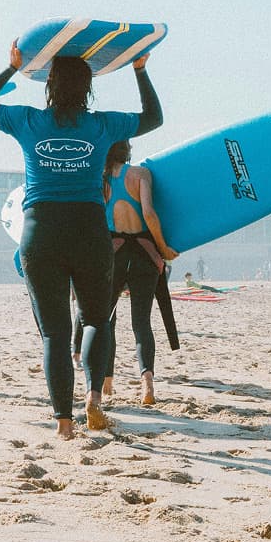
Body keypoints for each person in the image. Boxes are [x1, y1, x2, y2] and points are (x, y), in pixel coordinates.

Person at [0, 41, 163, 440]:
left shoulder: (27, 121)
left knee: (55, 333)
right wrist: (139, 70)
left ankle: (63, 423)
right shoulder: (102, 125)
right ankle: (93, 398)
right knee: (95, 319)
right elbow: (153, 118)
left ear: (49, 84)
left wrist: (10, 68)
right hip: (90, 230)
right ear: (89, 87)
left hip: (41, 230)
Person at [103, 140, 179, 405]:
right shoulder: (140, 174)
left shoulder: (98, 179)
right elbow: (148, 213)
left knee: (106, 320)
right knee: (141, 323)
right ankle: (147, 386)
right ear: (128, 151)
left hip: (113, 254)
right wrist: (162, 248)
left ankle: (106, 382)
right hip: (144, 254)